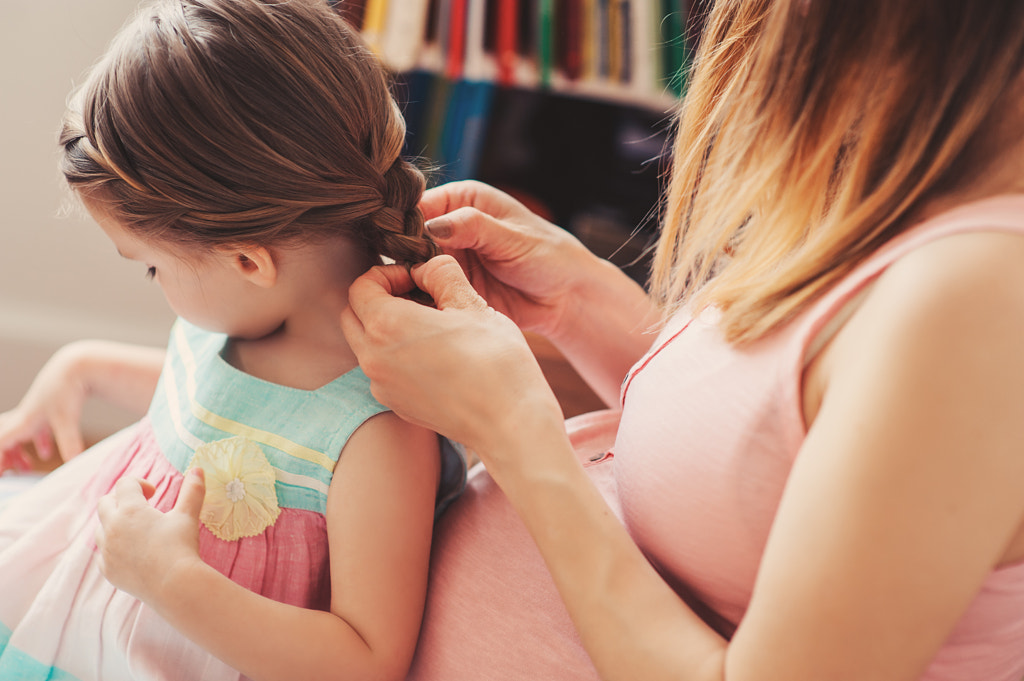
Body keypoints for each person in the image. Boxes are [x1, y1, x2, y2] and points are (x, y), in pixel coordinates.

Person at [100, 1, 1024, 680]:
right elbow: (776, 456)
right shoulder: (906, 190)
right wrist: (589, 305)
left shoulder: (981, 299)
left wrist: (518, 433)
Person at [0, 1, 464, 680]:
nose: (154, 282)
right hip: (76, 596)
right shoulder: (238, 313)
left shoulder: (380, 428)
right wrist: (80, 369)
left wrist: (173, 583)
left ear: (249, 261)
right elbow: (215, 412)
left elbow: (368, 659)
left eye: (153, 265)